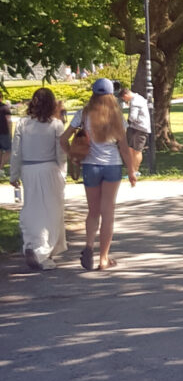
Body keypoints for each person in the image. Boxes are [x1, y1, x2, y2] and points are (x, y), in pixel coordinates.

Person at [60, 78, 137, 271]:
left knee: (93, 211)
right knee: (108, 213)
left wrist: (72, 155)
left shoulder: (83, 114)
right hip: (112, 166)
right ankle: (103, 258)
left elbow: (63, 138)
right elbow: (124, 148)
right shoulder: (117, 117)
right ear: (111, 95)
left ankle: (88, 246)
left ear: (93, 94)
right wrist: (131, 171)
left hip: (90, 166)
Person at [10, 88, 68, 270]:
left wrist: (14, 174)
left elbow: (16, 151)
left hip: (29, 170)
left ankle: (31, 244)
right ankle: (42, 252)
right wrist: (63, 173)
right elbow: (60, 154)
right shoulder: (56, 125)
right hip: (50, 169)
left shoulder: (23, 123)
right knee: (51, 212)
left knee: (32, 210)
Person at [117, 87, 151, 172]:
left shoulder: (135, 101)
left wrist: (126, 124)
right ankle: (132, 170)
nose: (125, 100)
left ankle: (135, 171)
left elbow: (133, 117)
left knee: (137, 150)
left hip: (139, 128)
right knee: (131, 148)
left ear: (126, 95)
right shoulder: (138, 97)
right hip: (136, 127)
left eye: (124, 98)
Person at [0, 91, 12, 177]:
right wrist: (10, 132)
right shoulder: (5, 108)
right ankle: (0, 168)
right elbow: (9, 121)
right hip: (4, 132)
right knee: (9, 150)